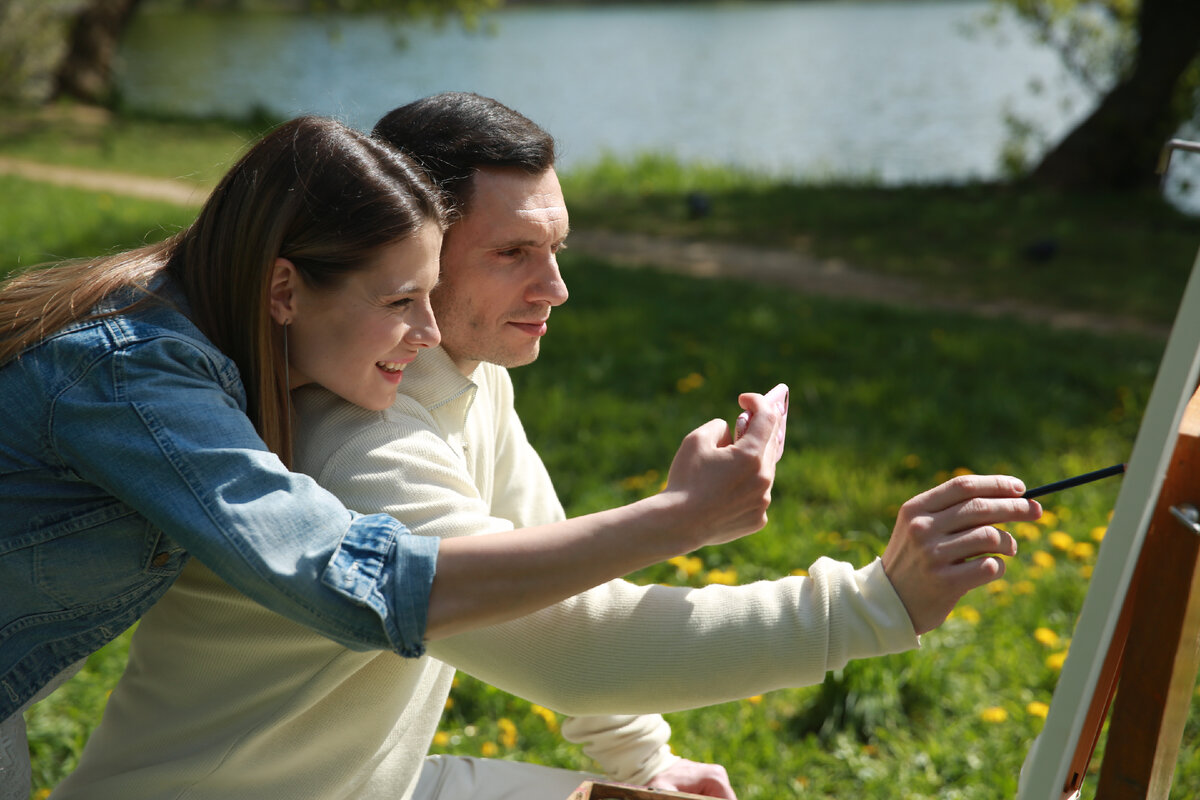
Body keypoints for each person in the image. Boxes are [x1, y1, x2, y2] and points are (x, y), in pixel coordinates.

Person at [47, 96, 1040, 800]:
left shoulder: (466, 384)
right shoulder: (357, 437)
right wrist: (876, 602)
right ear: (415, 250)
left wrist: (637, 758)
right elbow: (579, 650)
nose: (555, 286)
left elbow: (549, 563)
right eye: (515, 253)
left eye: (557, 246)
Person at [0, 115, 785, 800]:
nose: (431, 334)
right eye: (400, 301)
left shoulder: (206, 338)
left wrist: (643, 757)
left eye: (431, 295)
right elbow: (353, 585)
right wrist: (675, 520)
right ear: (283, 290)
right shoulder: (134, 377)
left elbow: (528, 547)